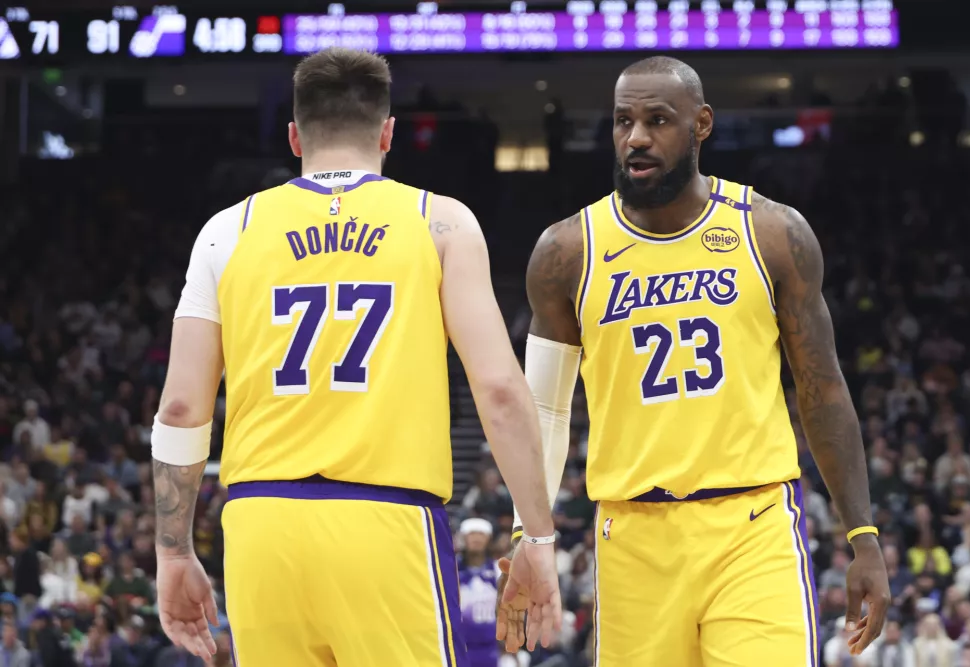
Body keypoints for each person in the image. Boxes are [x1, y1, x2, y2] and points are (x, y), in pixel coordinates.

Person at [151, 46, 561, 666]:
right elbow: (501, 390)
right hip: (387, 521)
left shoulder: (225, 230)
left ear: (294, 136)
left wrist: (174, 553)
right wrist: (536, 534)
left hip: (263, 527)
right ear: (388, 133)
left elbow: (182, 409)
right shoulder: (439, 222)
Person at [497, 55, 891, 666]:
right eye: (623, 121)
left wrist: (862, 535)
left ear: (702, 124)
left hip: (752, 520)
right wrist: (529, 533)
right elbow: (545, 409)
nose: (637, 138)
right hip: (632, 533)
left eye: (658, 120)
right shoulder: (567, 251)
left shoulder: (770, 234)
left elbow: (822, 389)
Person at [457, 518, 501, 667]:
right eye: (472, 534)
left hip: (490, 646)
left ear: (489, 539)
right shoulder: (450, 570)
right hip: (459, 646)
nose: (476, 538)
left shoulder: (498, 570)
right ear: (463, 538)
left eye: (481, 534)